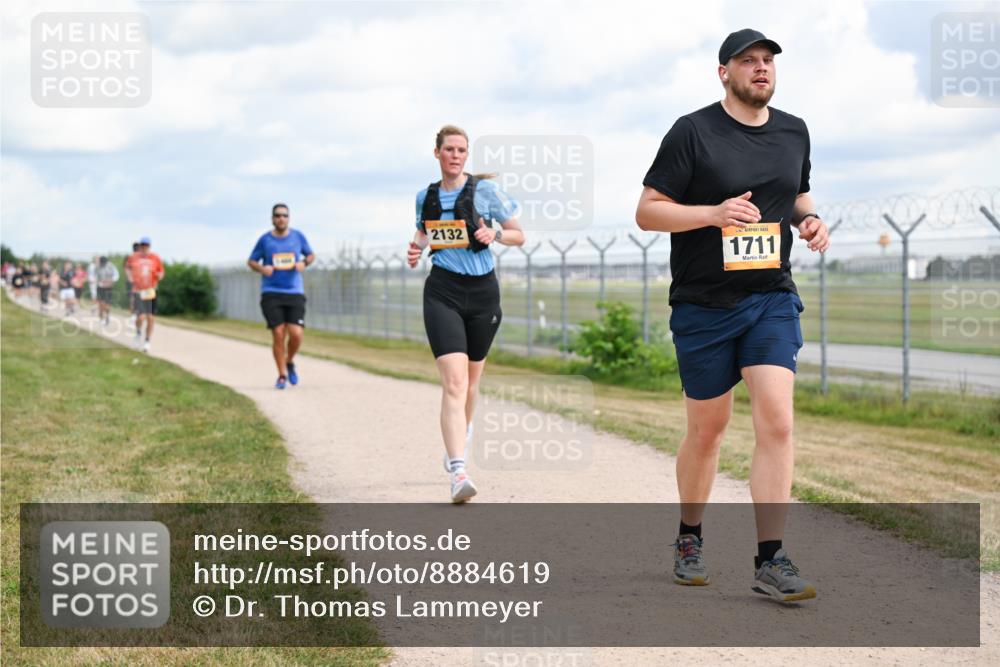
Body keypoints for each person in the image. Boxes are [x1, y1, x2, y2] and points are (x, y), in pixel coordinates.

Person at [635, 29, 830, 602]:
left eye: (768, 61)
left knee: (777, 420)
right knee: (708, 430)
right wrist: (713, 214)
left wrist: (810, 221)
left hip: (770, 296)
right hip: (703, 304)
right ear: (724, 72)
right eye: (749, 61)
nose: (761, 68)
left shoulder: (794, 131)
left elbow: (795, 195)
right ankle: (690, 536)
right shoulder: (692, 132)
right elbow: (648, 211)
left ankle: (771, 559)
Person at [406, 124, 524, 503]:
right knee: (455, 383)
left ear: (466, 155)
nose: (455, 156)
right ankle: (459, 470)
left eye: (461, 150)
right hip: (443, 291)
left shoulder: (485, 191)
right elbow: (425, 232)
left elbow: (518, 233)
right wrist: (414, 248)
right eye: (449, 149)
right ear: (437, 153)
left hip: (483, 293)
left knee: (471, 383)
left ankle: (463, 432)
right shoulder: (424, 196)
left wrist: (497, 236)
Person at [247, 203, 316, 389]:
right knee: (278, 333)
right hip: (271, 292)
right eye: (277, 215)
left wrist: (304, 263)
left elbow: (310, 255)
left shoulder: (297, 237)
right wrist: (262, 268)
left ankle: (289, 360)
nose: (281, 218)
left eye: (284, 215)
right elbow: (251, 261)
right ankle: (282, 375)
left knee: (296, 334)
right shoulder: (265, 240)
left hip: (294, 291)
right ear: (272, 218)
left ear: (289, 218)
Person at [127, 237, 165, 352]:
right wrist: (130, 277)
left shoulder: (155, 258)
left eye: (146, 245)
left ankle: (147, 341)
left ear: (149, 246)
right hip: (138, 290)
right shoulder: (134, 257)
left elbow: (161, 271)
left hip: (150, 290)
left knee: (150, 318)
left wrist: (160, 276)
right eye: (142, 245)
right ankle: (138, 333)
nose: (144, 247)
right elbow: (128, 269)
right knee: (141, 317)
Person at [94, 256, 120, 325]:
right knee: (101, 304)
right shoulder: (97, 267)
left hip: (108, 288)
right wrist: (98, 281)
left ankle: (107, 315)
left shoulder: (111, 266)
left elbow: (116, 275)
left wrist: (111, 281)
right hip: (100, 287)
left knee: (107, 305)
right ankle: (101, 318)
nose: (103, 264)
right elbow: (94, 276)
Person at [124, 242, 140, 328]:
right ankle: (133, 316)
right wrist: (131, 278)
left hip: (139, 283)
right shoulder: (130, 258)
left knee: (136, 299)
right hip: (131, 282)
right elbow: (126, 269)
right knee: (133, 299)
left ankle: (135, 316)